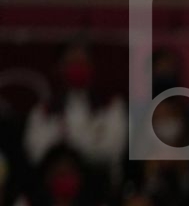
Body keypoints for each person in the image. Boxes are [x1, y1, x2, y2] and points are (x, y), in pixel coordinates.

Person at [24, 43, 126, 177]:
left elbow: (114, 150)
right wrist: (91, 141)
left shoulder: (112, 106)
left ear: (92, 66)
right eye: (72, 63)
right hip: (55, 182)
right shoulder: (43, 111)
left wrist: (66, 142)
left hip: (101, 181)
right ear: (60, 67)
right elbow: (36, 153)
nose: (78, 68)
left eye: (82, 62)